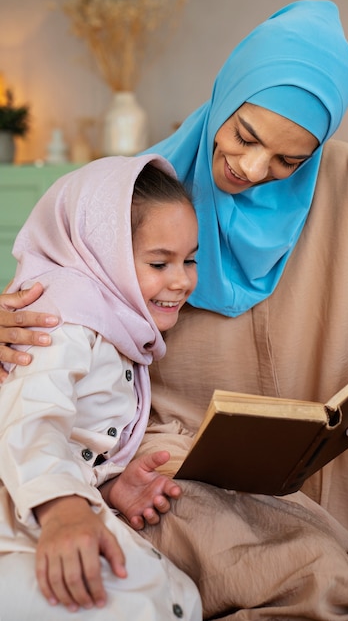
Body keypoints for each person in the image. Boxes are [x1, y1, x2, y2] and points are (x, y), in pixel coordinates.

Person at [2, 0, 348, 619]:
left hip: (307, 481)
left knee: (310, 557)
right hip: (162, 474)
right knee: (278, 568)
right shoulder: (145, 191)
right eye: (245, 135)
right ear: (226, 93)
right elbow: (52, 312)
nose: (251, 170)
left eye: (288, 160)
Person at [0, 154, 202, 619]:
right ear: (102, 253)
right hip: (33, 501)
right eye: (159, 262)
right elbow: (31, 420)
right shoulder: (62, 321)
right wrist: (65, 509)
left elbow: (79, 440)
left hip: (65, 498)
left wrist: (109, 487)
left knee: (178, 597)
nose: (181, 280)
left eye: (189, 260)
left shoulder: (117, 326)